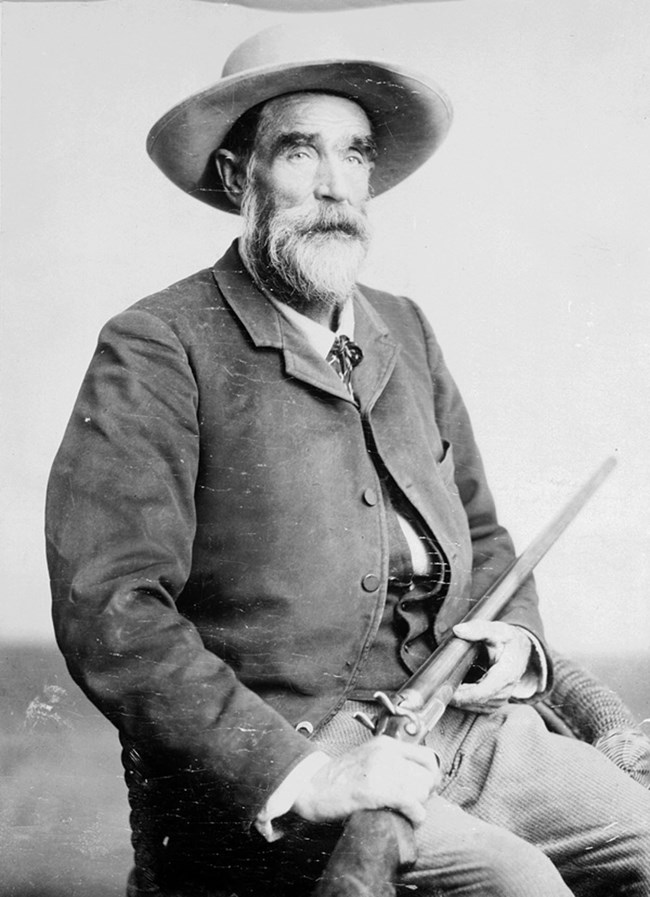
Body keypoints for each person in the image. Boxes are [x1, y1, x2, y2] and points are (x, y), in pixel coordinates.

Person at [46, 24, 650, 897]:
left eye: (356, 155)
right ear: (236, 176)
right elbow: (111, 608)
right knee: (517, 883)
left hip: (463, 725)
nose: (335, 186)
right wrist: (307, 779)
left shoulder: (403, 328)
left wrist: (518, 640)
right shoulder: (156, 345)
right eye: (300, 152)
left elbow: (483, 535)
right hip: (291, 754)